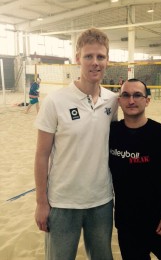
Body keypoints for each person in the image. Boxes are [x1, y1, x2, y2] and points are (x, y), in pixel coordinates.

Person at [34, 28, 118, 260]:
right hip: (62, 201)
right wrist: (42, 202)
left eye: (100, 57)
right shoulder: (55, 101)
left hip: (101, 201)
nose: (95, 62)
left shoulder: (112, 101)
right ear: (77, 58)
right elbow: (42, 155)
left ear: (107, 60)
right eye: (89, 56)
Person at [109, 78, 161, 260]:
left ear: (147, 100)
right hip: (128, 226)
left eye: (137, 95)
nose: (131, 100)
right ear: (119, 101)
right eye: (126, 95)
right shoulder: (111, 133)